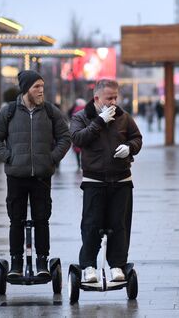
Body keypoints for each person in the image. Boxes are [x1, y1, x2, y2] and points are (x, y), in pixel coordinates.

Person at [0, 70, 71, 278]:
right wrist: (8, 157)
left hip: (42, 176)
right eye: (36, 87)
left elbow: (65, 137)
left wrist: (52, 158)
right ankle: (16, 263)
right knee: (16, 220)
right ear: (26, 89)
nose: (41, 90)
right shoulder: (8, 112)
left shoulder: (51, 111)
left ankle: (42, 261)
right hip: (16, 176)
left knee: (42, 219)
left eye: (42, 86)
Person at [69, 79, 142, 283]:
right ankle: (89, 266)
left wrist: (130, 147)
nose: (113, 102)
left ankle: (117, 265)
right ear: (97, 99)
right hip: (94, 180)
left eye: (115, 97)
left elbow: (137, 138)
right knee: (91, 225)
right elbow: (78, 139)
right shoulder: (81, 117)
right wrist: (99, 122)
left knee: (119, 225)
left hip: (121, 180)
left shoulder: (124, 117)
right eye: (109, 98)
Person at [68, 98, 86, 170]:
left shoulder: (74, 110)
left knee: (77, 149)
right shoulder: (87, 110)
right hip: (85, 131)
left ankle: (78, 163)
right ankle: (83, 163)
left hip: (76, 132)